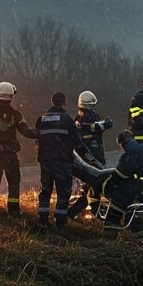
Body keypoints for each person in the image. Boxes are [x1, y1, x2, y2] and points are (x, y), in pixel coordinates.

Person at [0, 81, 36, 218]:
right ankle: (14, 211)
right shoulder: (16, 115)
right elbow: (26, 132)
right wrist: (42, 133)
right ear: (11, 96)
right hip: (10, 153)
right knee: (14, 181)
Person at [32, 92, 88, 230]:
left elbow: (37, 139)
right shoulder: (67, 119)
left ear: (52, 102)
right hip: (62, 161)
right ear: (63, 102)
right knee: (63, 191)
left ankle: (43, 220)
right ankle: (61, 222)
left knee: (46, 190)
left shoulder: (42, 119)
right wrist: (87, 157)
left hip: (45, 161)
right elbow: (77, 141)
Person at [102, 129, 143, 241]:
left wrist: (108, 185)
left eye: (120, 144)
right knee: (132, 214)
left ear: (122, 142)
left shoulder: (131, 153)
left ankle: (109, 241)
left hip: (129, 189)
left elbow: (122, 174)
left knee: (114, 213)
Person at [67, 90, 113, 219]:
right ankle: (71, 214)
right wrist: (105, 124)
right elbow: (95, 127)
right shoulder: (84, 120)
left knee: (93, 188)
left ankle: (94, 211)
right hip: (91, 158)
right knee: (91, 188)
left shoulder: (79, 118)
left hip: (88, 157)